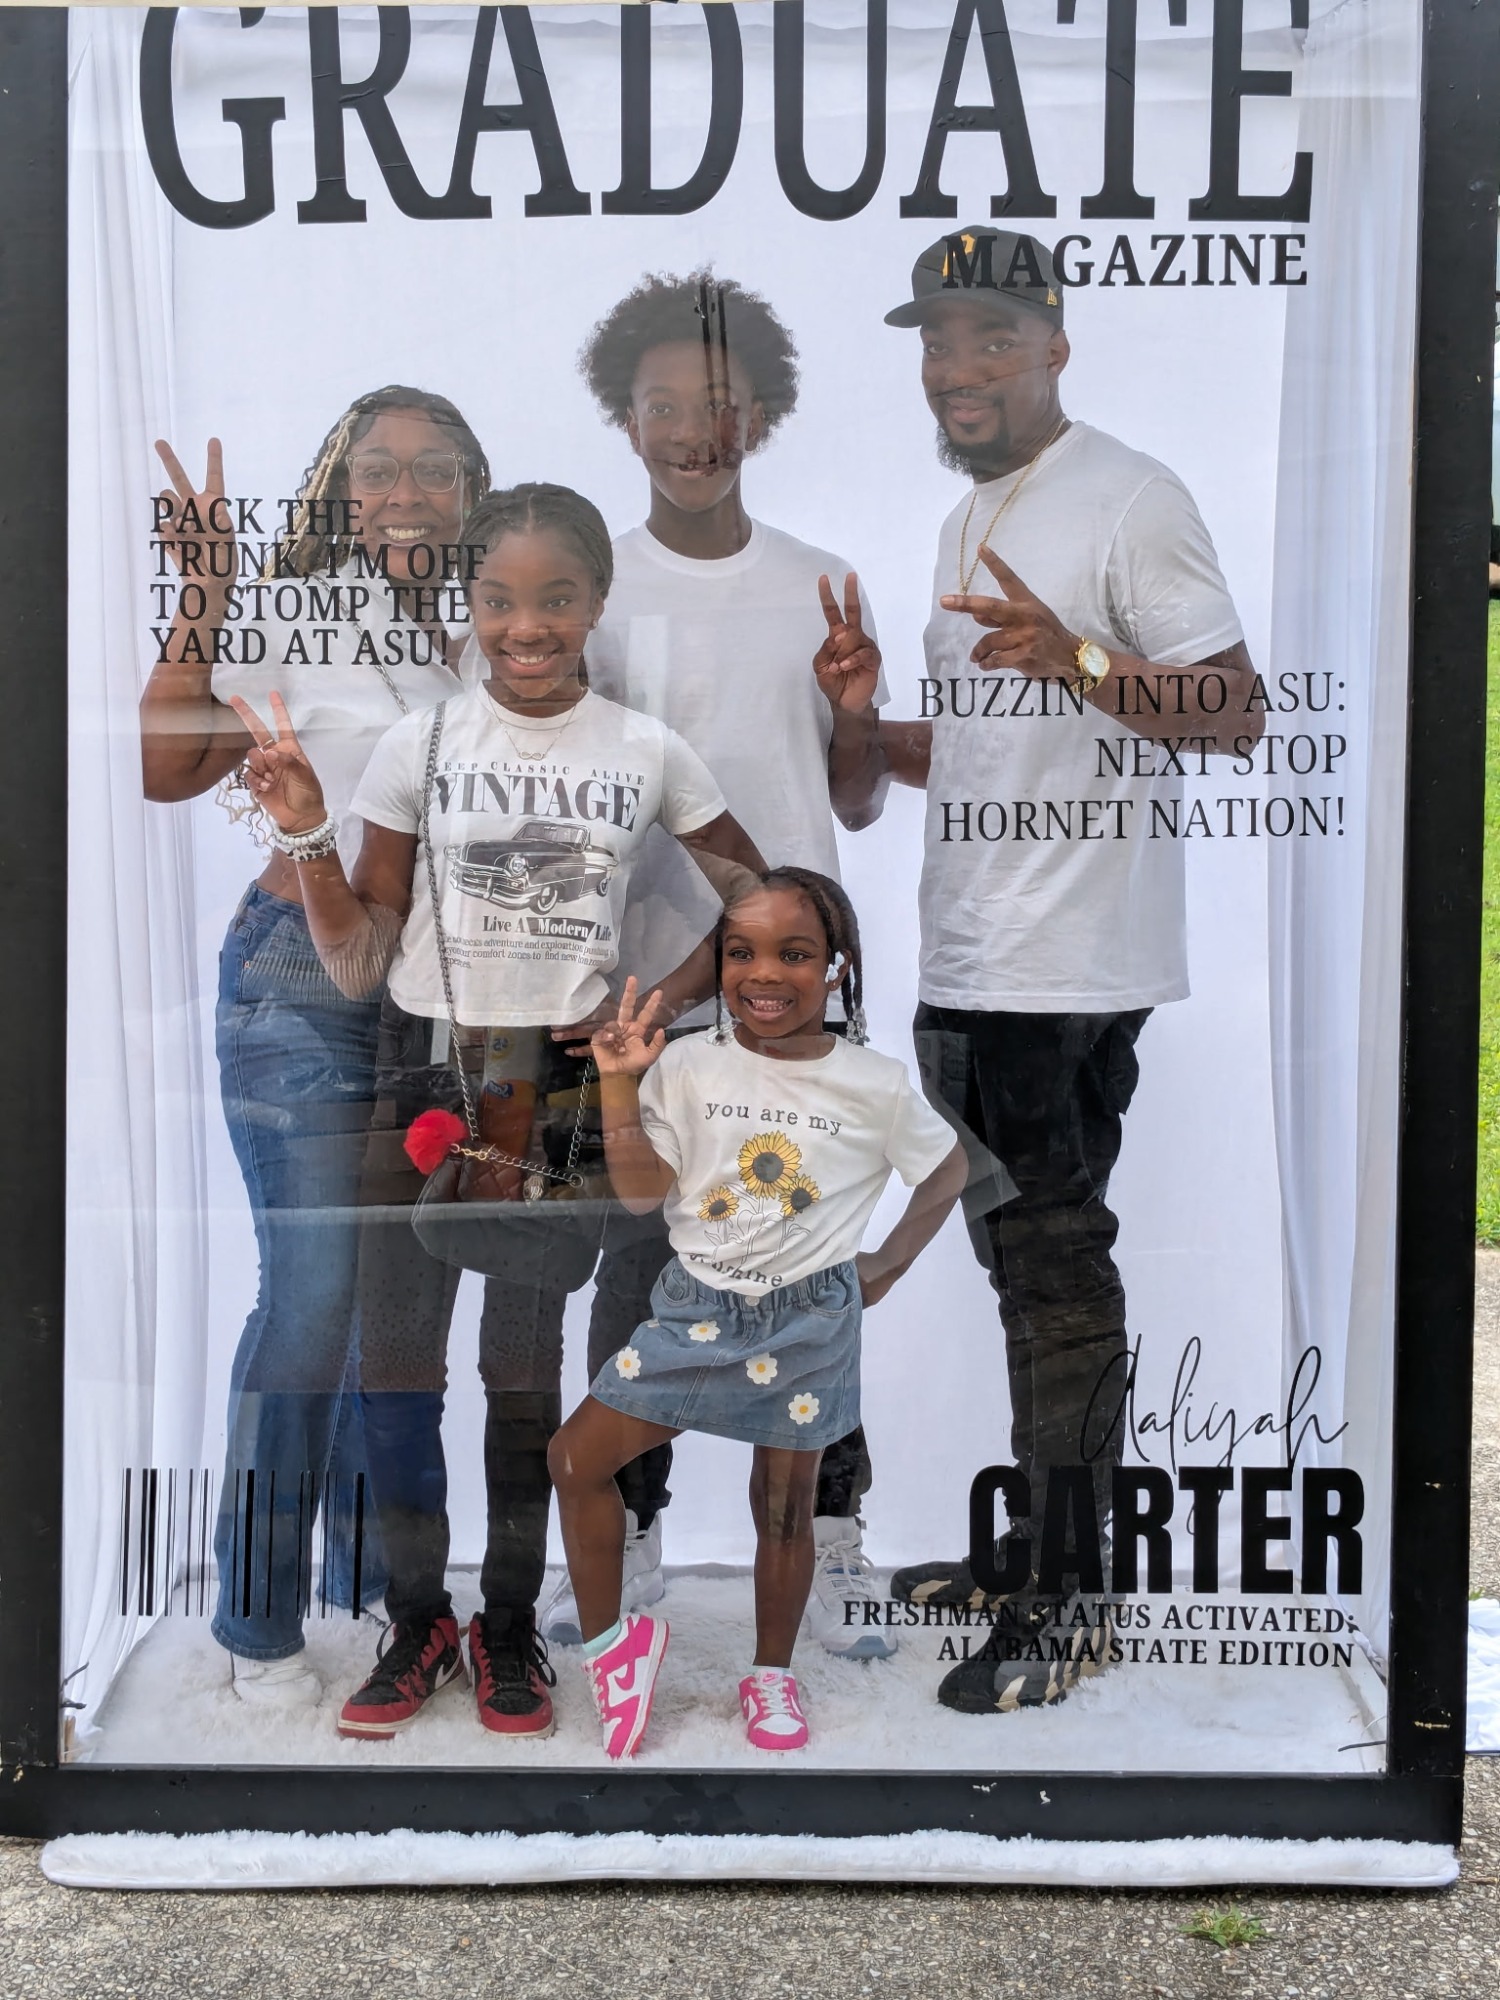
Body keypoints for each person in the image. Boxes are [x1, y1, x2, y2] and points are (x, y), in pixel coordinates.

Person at [227, 482, 764, 1741]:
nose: (528, 626)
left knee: (521, 1370)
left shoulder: (643, 750)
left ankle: (508, 1620)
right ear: (469, 604)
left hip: (557, 1088)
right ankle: (418, 1619)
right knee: (398, 1366)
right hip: (423, 1066)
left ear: (596, 602)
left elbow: (755, 893)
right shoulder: (419, 745)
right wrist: (306, 833)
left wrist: (659, 1001)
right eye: (502, 599)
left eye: (557, 598)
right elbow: (361, 959)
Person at [839, 226, 1265, 1713]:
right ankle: (1037, 1552)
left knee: (1056, 1270)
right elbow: (989, 745)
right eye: (937, 341)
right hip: (972, 947)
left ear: (1056, 345)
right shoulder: (970, 514)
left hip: (1066, 965)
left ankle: (1073, 1597)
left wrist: (1080, 656)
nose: (956, 367)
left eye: (991, 338)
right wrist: (860, 717)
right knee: (1024, 1268)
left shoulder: (1132, 496)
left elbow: (1235, 713)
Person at [541, 271, 895, 1662]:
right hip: (647, 993)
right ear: (624, 417)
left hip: (789, 994)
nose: (695, 428)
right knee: (645, 1269)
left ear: (764, 412)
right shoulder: (598, 592)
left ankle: (836, 1544)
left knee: (809, 1266)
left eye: (721, 401)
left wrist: (855, 714)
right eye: (665, 404)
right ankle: (625, 1538)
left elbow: (852, 800)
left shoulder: (817, 579)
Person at [139, 387, 491, 1706]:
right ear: (342, 493)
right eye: (378, 471)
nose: (405, 493)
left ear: (472, 491)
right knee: (309, 1303)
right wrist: (204, 595)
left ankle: (375, 1587)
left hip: (428, 1001)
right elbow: (167, 765)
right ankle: (254, 1622)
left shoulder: (489, 628)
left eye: (434, 470)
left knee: (383, 1314)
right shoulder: (300, 609)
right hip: (300, 982)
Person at [548, 869, 965, 1757]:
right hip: (694, 1310)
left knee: (784, 1506)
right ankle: (615, 1651)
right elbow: (642, 1194)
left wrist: (887, 1264)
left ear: (836, 967)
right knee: (575, 1458)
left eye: (795, 954)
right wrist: (620, 1085)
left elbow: (947, 1167)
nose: (764, 974)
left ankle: (771, 1674)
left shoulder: (875, 1083)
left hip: (806, 1320)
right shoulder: (688, 1063)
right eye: (741, 953)